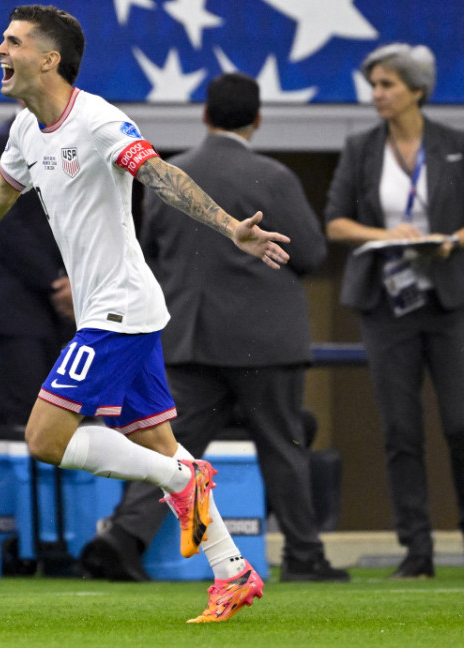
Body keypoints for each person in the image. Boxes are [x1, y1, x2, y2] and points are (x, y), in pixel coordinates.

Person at [0, 6, 290, 623]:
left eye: (13, 41)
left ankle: (185, 484)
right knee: (159, 446)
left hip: (118, 311)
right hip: (116, 312)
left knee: (45, 439)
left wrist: (233, 228)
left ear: (49, 58)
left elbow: (159, 175)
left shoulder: (97, 119)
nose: (0, 49)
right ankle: (233, 572)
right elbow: (4, 185)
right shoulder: (25, 128)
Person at [79, 73, 346, 584]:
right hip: (266, 343)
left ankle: (121, 539)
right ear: (258, 118)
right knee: (283, 449)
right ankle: (305, 557)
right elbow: (310, 253)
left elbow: (149, 251)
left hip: (191, 337)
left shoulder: (170, 174)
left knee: (165, 448)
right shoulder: (275, 176)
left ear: (205, 115)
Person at [325, 43, 464, 579]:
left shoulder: (456, 143)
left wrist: (451, 239)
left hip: (450, 301)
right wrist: (386, 234)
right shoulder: (361, 147)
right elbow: (336, 222)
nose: (377, 95)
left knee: (462, 425)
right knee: (401, 429)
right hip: (386, 305)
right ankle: (417, 550)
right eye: (375, 85)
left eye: (387, 85)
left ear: (416, 90)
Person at [0, 108, 74, 426]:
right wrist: (57, 283)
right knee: (26, 417)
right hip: (10, 311)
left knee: (37, 417)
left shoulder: (66, 146)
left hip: (52, 313)